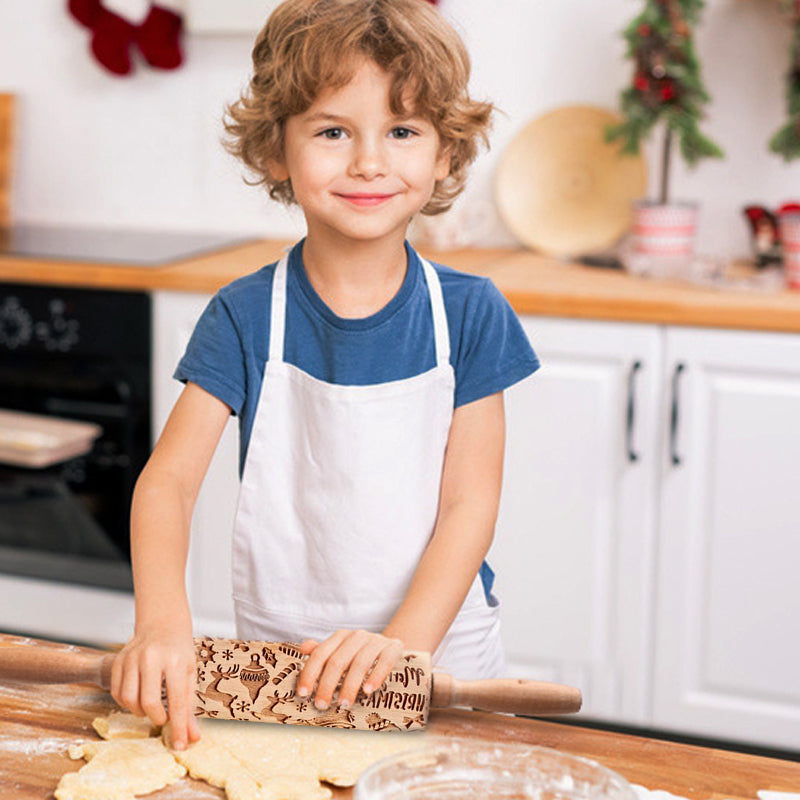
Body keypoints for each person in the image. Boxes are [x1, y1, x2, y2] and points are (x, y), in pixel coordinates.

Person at [111, 0, 540, 751]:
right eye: (333, 130)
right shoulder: (244, 316)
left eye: (402, 131)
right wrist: (162, 625)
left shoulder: (470, 314)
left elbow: (472, 502)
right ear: (277, 151)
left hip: (440, 657)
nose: (369, 161)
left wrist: (405, 642)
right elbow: (167, 484)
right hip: (290, 670)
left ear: (444, 155)